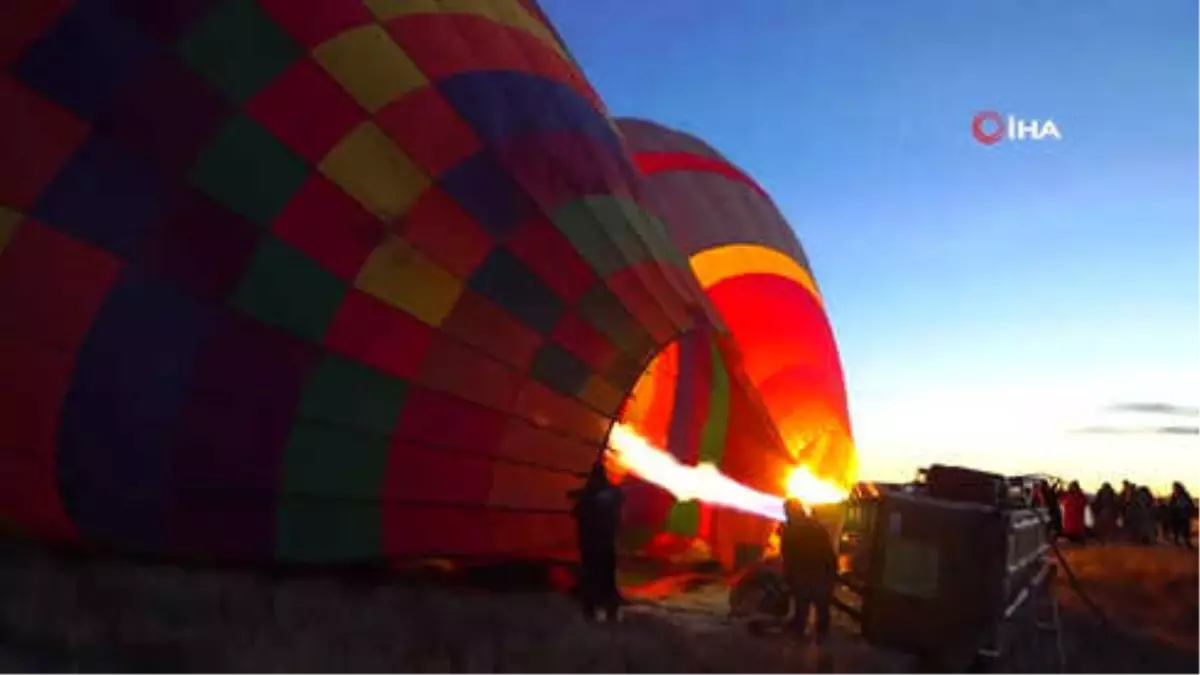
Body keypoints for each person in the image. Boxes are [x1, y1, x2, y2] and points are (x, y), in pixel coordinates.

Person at [570, 461, 625, 622]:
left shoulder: (595, 496)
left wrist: (585, 496)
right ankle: (603, 611)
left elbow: (577, 513)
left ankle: (598, 611)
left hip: (595, 545)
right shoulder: (605, 494)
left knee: (595, 579)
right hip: (600, 545)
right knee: (602, 579)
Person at [779, 498, 838, 645]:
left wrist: (787, 577)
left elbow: (788, 556)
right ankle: (822, 643)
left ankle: (799, 647)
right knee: (822, 610)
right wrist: (832, 573)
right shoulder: (816, 526)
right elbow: (828, 552)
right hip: (820, 574)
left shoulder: (791, 530)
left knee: (802, 609)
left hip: (803, 575)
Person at [1169, 482, 1195, 549]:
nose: (1175, 489)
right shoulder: (1174, 496)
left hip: (1184, 514)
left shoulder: (1185, 495)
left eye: (1176, 487)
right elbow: (1171, 505)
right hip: (1177, 515)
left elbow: (1190, 504)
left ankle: (1187, 542)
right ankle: (1177, 540)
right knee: (1177, 529)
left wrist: (1190, 510)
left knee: (1186, 529)